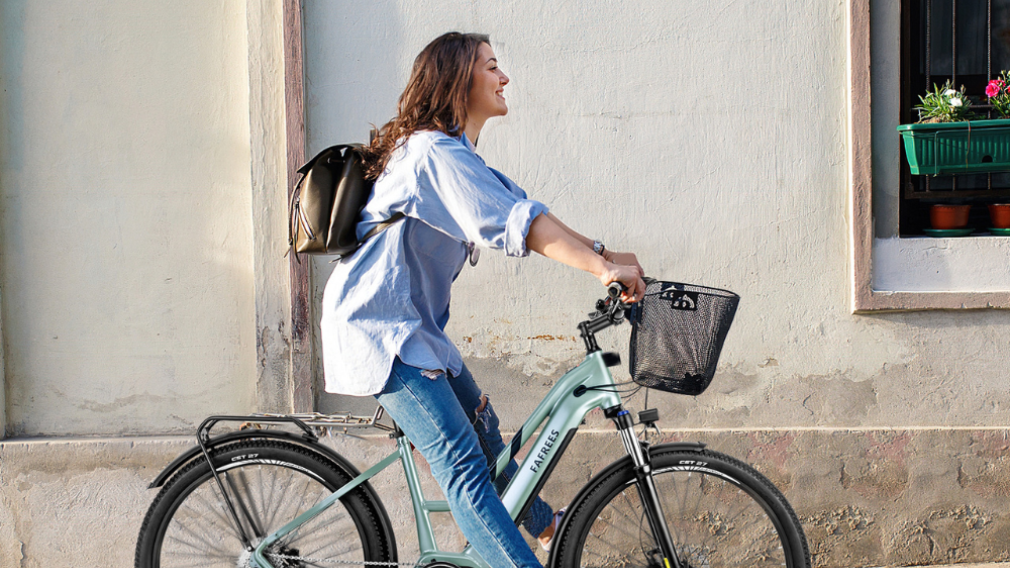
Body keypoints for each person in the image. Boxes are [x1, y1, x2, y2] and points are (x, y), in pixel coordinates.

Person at [320, 32, 645, 568]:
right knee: (464, 470)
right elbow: (515, 224)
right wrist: (602, 268)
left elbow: (524, 209)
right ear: (457, 81)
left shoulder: (457, 155)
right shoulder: (431, 153)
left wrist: (604, 252)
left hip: (414, 331)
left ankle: (546, 526)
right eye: (492, 67)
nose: (504, 77)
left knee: (487, 432)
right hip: (379, 330)